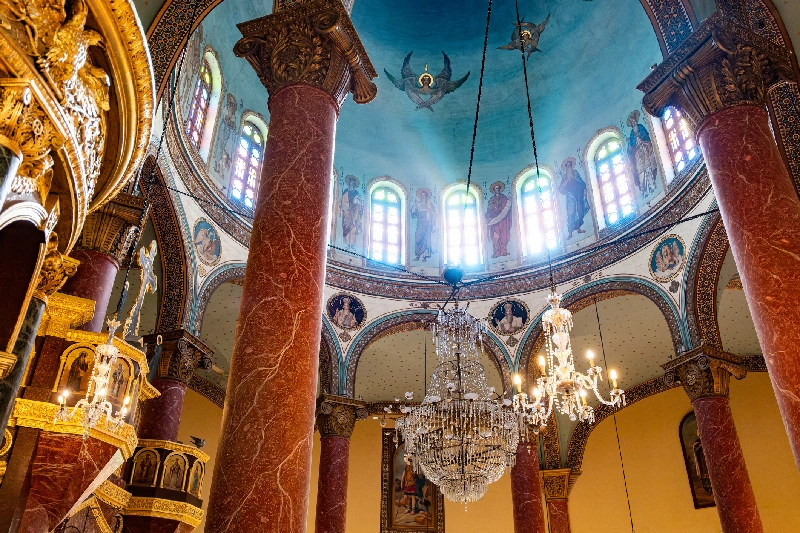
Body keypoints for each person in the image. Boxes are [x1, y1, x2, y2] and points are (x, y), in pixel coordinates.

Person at [627, 110, 658, 198]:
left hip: (644, 149)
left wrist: (641, 139)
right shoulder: (631, 133)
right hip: (637, 153)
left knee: (648, 167)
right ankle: (645, 190)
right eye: (632, 122)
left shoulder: (641, 127)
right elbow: (631, 145)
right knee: (640, 170)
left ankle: (652, 186)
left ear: (636, 120)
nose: (633, 123)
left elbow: (646, 136)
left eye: (634, 121)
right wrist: (630, 142)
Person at [558, 158, 590, 240]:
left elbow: (582, 183)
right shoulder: (564, 177)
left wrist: (584, 191)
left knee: (579, 212)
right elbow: (560, 189)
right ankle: (570, 233)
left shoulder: (575, 173)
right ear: (566, 167)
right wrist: (566, 181)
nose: (569, 167)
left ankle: (579, 229)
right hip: (570, 197)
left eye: (570, 165)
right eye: (567, 166)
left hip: (578, 195)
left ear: (572, 166)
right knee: (571, 213)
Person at [486, 181, 512, 258]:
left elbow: (507, 208)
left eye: (498, 188)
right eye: (496, 189)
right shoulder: (492, 199)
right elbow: (489, 210)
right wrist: (489, 216)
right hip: (494, 220)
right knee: (495, 236)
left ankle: (504, 251)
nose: (497, 190)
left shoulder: (504, 198)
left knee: (503, 235)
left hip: (503, 220)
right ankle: (496, 252)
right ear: (494, 190)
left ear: (500, 189)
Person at [411, 188, 436, 262]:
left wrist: (433, 225)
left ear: (427, 196)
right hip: (420, 224)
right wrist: (414, 206)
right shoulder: (418, 204)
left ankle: (425, 257)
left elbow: (433, 215)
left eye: (424, 196)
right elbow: (413, 214)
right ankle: (418, 255)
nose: (423, 197)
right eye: (421, 196)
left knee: (426, 239)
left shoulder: (429, 204)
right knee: (418, 238)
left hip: (427, 224)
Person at [340, 175, 363, 249]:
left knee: (353, 227)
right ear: (349, 183)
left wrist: (356, 200)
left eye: (353, 182)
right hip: (346, 211)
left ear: (354, 184)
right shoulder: (345, 191)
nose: (352, 183)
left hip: (354, 211)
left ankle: (352, 244)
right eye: (351, 182)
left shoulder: (356, 192)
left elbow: (360, 202)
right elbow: (342, 201)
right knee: (346, 226)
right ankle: (347, 244)